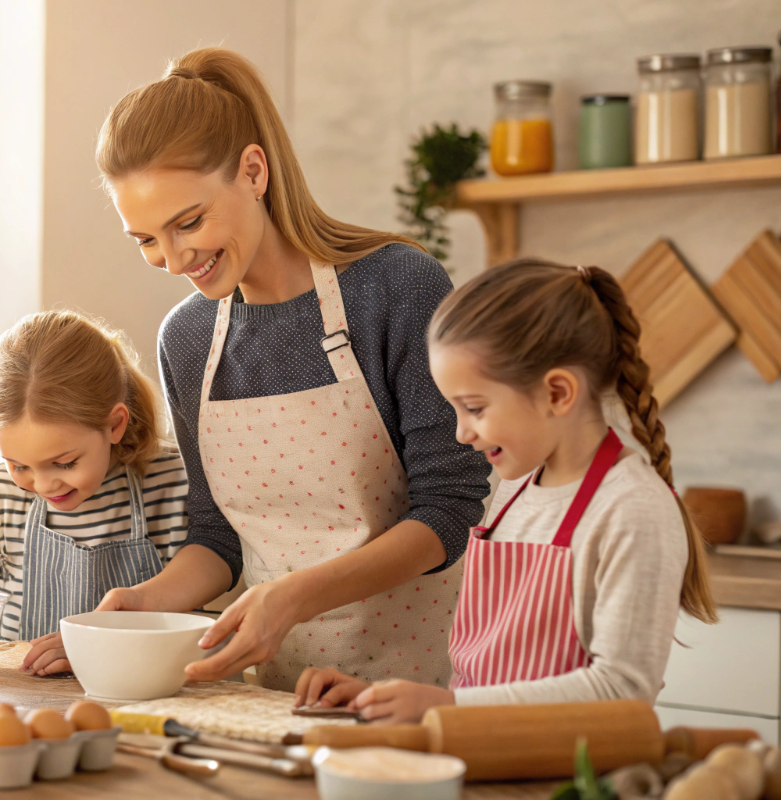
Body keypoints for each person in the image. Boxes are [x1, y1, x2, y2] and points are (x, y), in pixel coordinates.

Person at [88, 46, 492, 691]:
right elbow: (218, 534)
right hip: (273, 689)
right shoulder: (188, 339)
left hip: (418, 685)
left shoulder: (394, 287)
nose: (170, 258)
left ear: (253, 171)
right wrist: (148, 602)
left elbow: (450, 510)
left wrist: (294, 596)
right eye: (145, 239)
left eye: (187, 221)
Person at [294, 260, 718, 721]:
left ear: (557, 393)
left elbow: (621, 692)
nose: (461, 433)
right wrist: (376, 697)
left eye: (474, 407)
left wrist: (445, 706)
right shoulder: (516, 487)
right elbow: (489, 682)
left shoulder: (633, 509)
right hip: (484, 763)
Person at [0, 310, 188, 675]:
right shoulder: (0, 491)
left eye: (64, 464)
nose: (44, 486)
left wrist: (97, 647)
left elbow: (192, 628)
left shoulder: (171, 480)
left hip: (142, 689)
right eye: (19, 465)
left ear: (115, 424)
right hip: (21, 699)